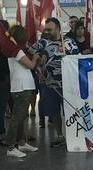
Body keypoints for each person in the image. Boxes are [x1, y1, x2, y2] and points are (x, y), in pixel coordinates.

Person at [29, 18, 79, 147]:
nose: (47, 31)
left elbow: (78, 59)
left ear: (58, 29)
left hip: (67, 84)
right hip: (49, 84)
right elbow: (31, 52)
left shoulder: (68, 42)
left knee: (69, 110)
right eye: (46, 29)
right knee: (54, 112)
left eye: (49, 29)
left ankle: (74, 136)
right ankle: (60, 135)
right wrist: (38, 60)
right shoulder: (42, 42)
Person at [5, 25, 40, 158]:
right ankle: (10, 147)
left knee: (22, 117)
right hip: (21, 87)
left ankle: (21, 142)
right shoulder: (17, 52)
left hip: (23, 86)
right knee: (17, 118)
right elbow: (31, 65)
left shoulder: (17, 50)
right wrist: (35, 58)